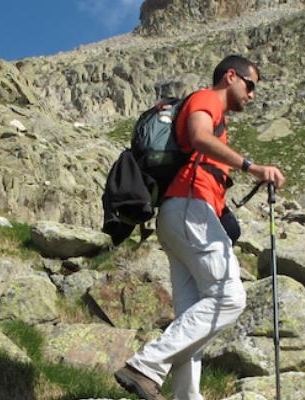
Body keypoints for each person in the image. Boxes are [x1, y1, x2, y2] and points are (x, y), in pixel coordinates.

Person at [114, 55, 286, 400]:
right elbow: (199, 136)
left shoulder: (217, 117)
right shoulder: (207, 99)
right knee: (230, 298)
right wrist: (252, 167)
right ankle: (146, 365)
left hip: (180, 214)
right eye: (250, 85)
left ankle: (185, 395)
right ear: (231, 76)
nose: (252, 95)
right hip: (189, 209)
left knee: (192, 318)